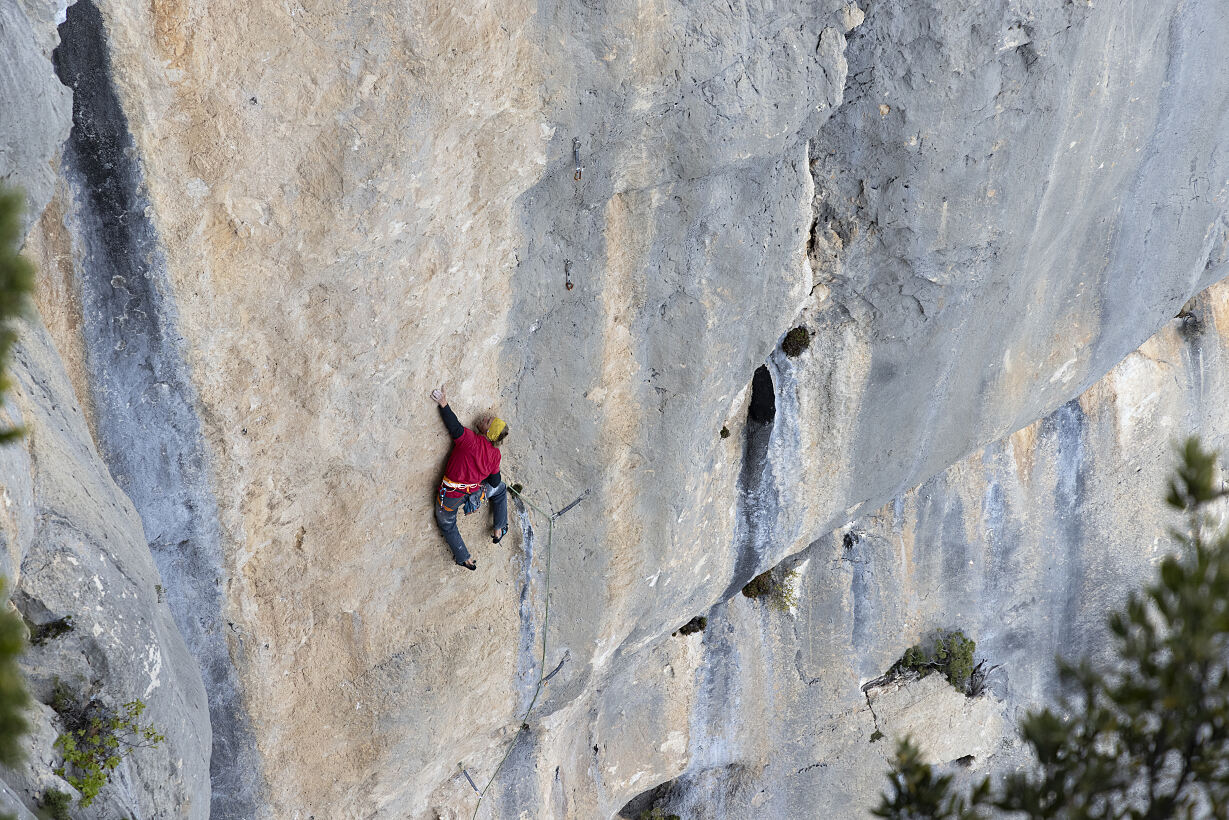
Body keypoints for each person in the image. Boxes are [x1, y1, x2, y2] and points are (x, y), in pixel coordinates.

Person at [431, 387, 509, 570]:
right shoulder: (495, 455)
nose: (485, 418)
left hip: (450, 495)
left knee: (446, 522)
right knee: (501, 489)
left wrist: (443, 403)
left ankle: (464, 557)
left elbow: (454, 426)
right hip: (474, 492)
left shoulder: (471, 441)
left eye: (488, 421)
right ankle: (499, 528)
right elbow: (495, 482)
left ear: (488, 432)